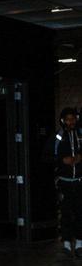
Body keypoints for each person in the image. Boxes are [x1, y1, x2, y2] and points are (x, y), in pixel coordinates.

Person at [53, 107, 82, 257]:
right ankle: (66, 244)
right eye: (68, 119)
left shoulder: (80, 134)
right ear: (63, 121)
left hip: (79, 181)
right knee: (66, 213)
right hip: (64, 182)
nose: (71, 122)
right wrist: (62, 160)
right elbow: (49, 155)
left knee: (80, 213)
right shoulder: (59, 136)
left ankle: (79, 244)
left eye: (73, 119)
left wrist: (80, 157)